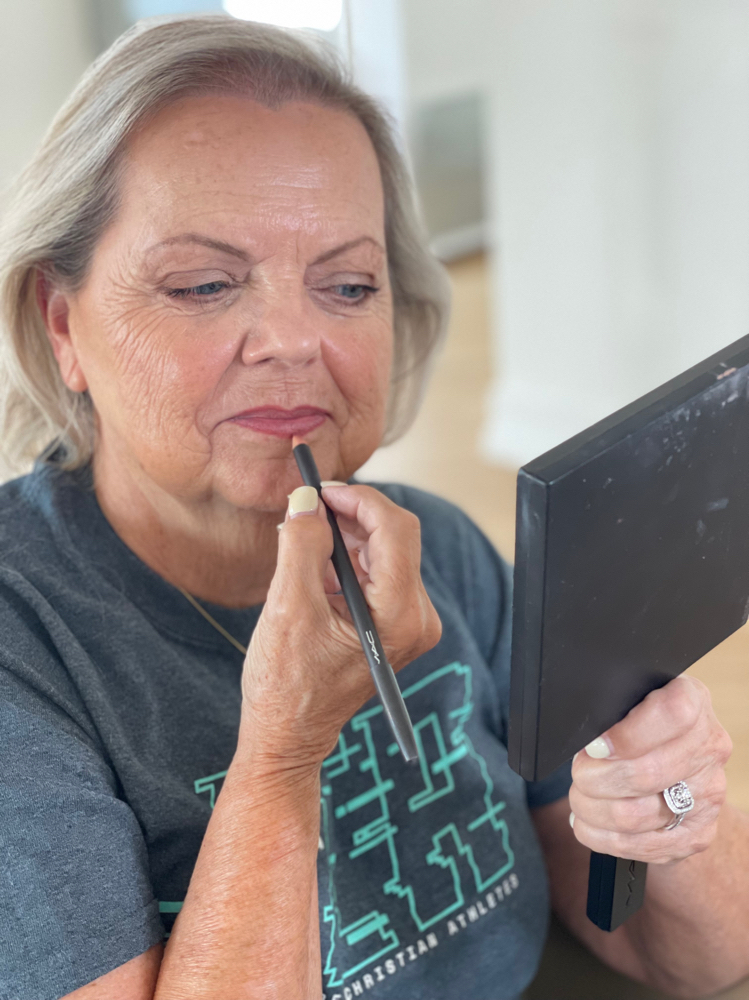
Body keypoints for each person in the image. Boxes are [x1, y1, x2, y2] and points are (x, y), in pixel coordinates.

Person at [0, 14, 747, 1000]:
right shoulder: (27, 641)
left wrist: (668, 799)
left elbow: (698, 959)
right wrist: (282, 748)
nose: (290, 339)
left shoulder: (441, 546)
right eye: (204, 283)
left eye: (347, 283)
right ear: (63, 325)